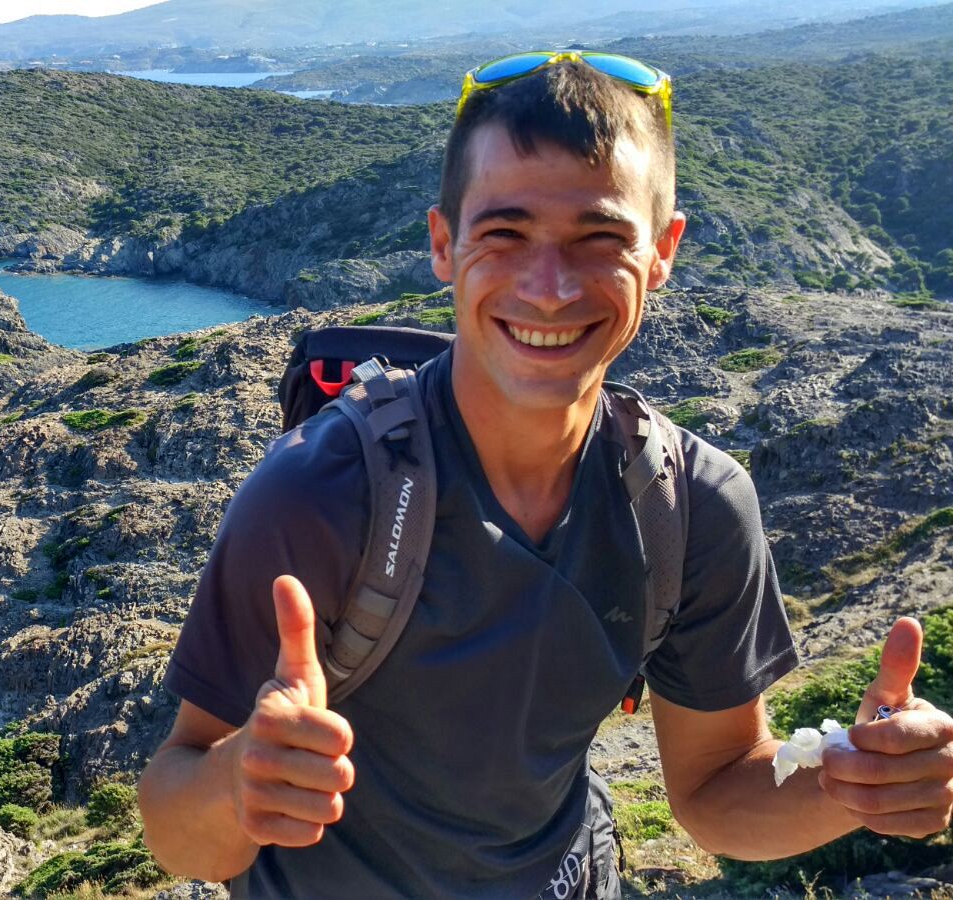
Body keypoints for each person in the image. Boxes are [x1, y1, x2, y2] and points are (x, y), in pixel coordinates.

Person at [137, 52, 953, 898]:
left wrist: (852, 784)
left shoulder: (692, 508)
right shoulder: (318, 495)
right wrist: (238, 784)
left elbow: (716, 794)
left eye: (599, 239)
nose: (551, 288)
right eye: (504, 234)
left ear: (664, 250)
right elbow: (177, 825)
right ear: (444, 245)